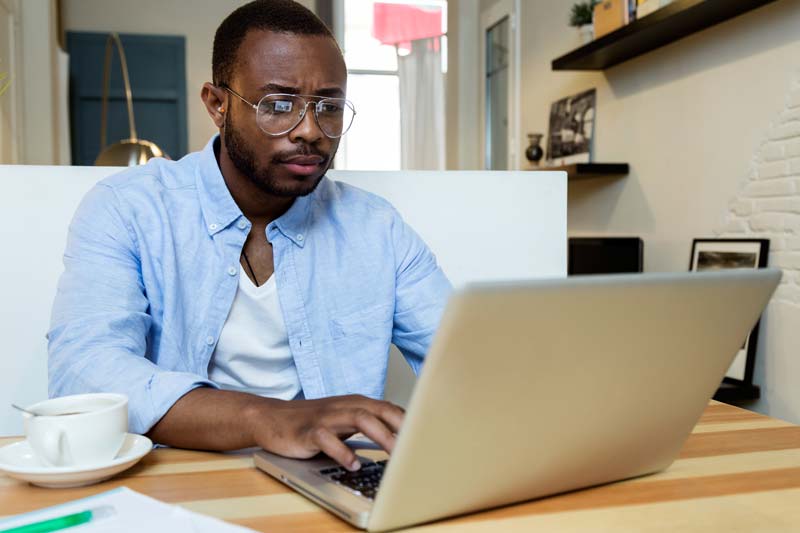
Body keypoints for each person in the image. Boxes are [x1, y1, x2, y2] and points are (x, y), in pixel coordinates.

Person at [47, 0, 451, 472]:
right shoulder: (130, 209)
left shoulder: (376, 228)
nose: (310, 131)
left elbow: (466, 357)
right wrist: (269, 419)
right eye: (278, 106)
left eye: (329, 107)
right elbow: (84, 374)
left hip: (330, 479)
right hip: (173, 484)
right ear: (217, 105)